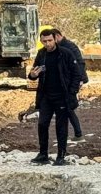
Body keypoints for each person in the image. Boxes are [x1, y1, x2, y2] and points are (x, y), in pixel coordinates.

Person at [27, 28, 83, 165]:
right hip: (46, 96)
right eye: (44, 41)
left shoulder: (66, 53)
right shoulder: (41, 54)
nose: (47, 44)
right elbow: (33, 73)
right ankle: (43, 154)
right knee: (42, 124)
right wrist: (33, 75)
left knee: (61, 126)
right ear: (41, 41)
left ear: (55, 39)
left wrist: (71, 93)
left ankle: (61, 156)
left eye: (50, 40)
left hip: (62, 96)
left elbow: (77, 74)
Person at [54, 29, 88, 141]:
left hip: (73, 81)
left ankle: (78, 134)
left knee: (68, 107)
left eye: (53, 39)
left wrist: (78, 81)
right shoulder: (63, 46)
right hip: (69, 82)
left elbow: (78, 64)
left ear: (58, 36)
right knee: (66, 108)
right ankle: (76, 133)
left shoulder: (69, 47)